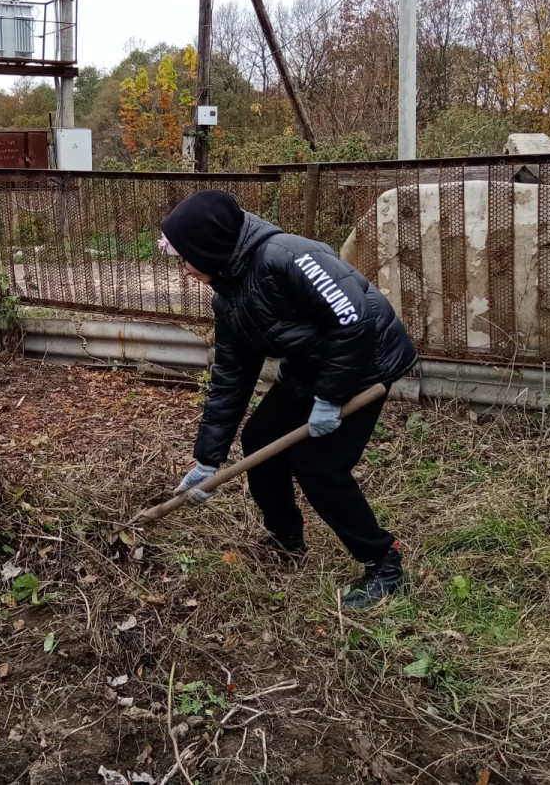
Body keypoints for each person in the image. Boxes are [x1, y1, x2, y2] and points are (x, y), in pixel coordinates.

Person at [160, 190, 418, 607]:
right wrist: (208, 460)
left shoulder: (288, 256)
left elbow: (353, 321)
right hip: (311, 366)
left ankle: (384, 563)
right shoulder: (228, 293)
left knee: (319, 467)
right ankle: (285, 539)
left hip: (365, 363)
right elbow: (231, 378)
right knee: (260, 440)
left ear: (208, 248)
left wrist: (330, 398)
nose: (183, 268)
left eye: (184, 256)